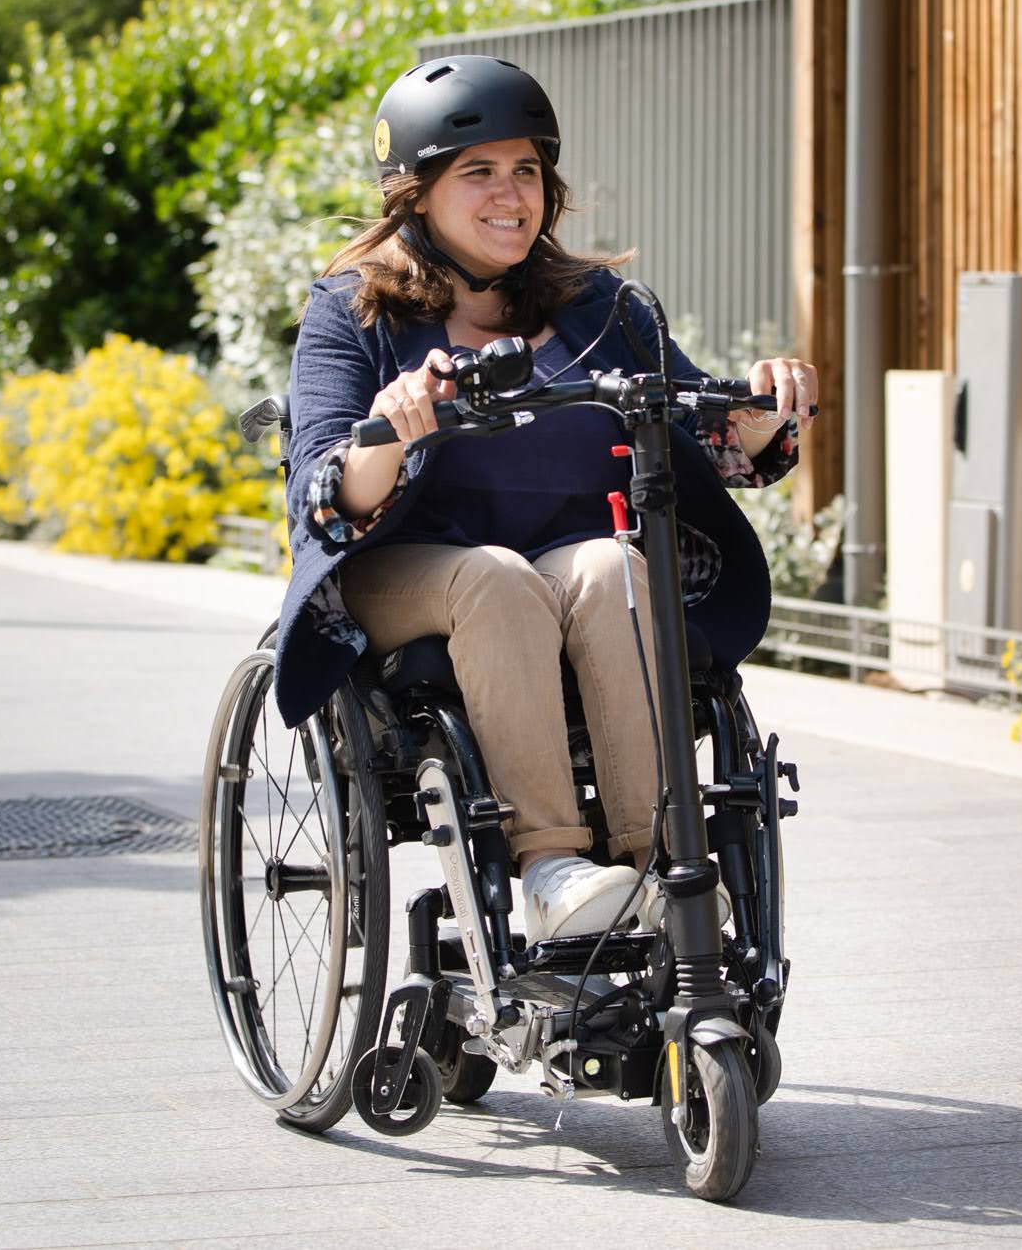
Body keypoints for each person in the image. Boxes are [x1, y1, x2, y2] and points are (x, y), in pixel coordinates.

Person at [267, 55, 819, 943]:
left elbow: (699, 425)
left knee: (614, 565)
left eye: (526, 170)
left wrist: (760, 412)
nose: (510, 194)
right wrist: (390, 430)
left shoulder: (596, 305)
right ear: (417, 195)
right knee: (493, 578)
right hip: (405, 576)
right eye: (477, 172)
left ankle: (660, 865)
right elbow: (322, 496)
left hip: (563, 565)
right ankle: (551, 864)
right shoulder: (353, 311)